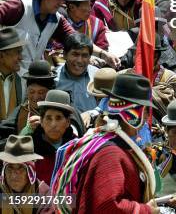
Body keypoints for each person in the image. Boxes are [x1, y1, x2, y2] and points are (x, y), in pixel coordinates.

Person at [51, 73, 159, 214]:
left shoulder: (108, 141)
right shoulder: (111, 154)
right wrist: (146, 210)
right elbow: (108, 206)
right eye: (145, 112)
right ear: (134, 114)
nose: (146, 118)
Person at [0, 135, 47, 206]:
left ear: (31, 171)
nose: (14, 175)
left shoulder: (44, 193)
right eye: (9, 167)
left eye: (21, 167)